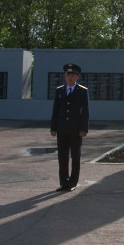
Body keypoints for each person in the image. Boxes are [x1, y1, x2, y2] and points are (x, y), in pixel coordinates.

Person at [51, 63, 89, 192]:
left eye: (72, 75)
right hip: (62, 129)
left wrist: (84, 128)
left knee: (75, 156)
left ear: (77, 77)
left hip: (76, 130)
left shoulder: (82, 91)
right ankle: (63, 182)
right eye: (68, 75)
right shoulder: (60, 90)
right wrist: (53, 127)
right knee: (62, 157)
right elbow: (55, 110)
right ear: (65, 76)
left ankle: (72, 182)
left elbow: (85, 111)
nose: (70, 77)